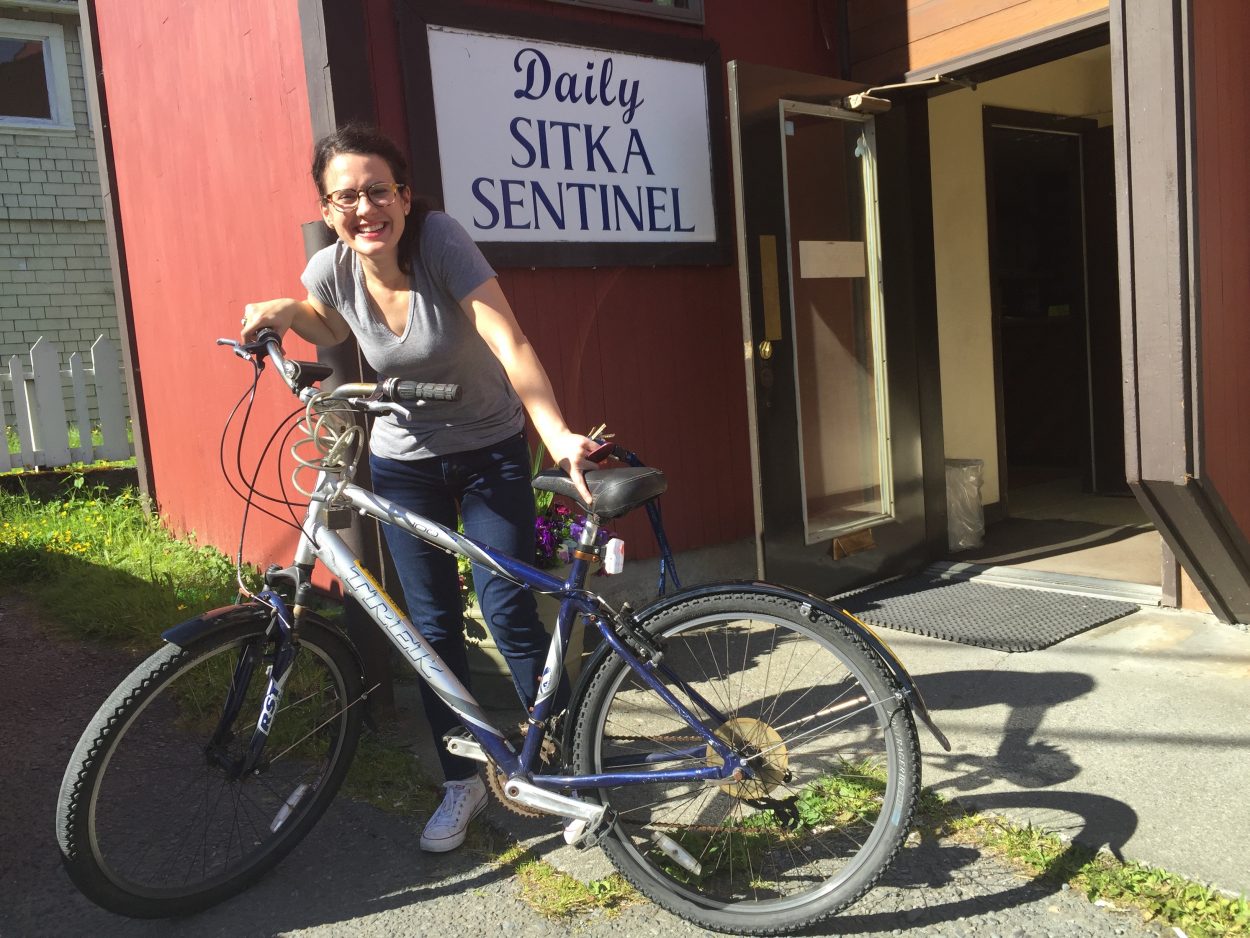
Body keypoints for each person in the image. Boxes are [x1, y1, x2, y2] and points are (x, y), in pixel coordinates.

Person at [241, 123, 596, 853]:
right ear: (327, 208)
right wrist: (285, 311)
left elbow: (508, 340)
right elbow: (328, 321)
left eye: (378, 191)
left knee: (506, 607)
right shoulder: (331, 266)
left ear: (404, 196)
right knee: (430, 628)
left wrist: (557, 434)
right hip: (404, 461)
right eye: (345, 198)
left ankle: (567, 765)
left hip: (490, 450)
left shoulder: (440, 243)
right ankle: (461, 780)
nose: (364, 209)